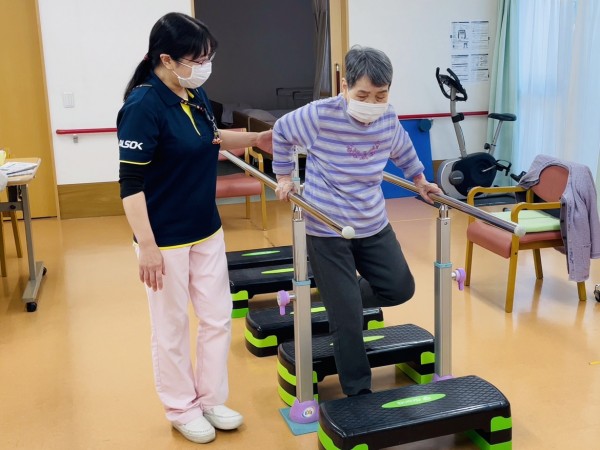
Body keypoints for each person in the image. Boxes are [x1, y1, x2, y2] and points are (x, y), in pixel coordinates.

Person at [117, 12, 272, 444]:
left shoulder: (193, 94)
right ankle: (181, 408)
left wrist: (256, 139)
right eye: (197, 59)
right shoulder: (143, 107)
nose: (205, 66)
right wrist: (147, 246)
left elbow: (212, 138)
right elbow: (130, 184)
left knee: (217, 318)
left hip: (205, 228)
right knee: (171, 327)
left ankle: (210, 399)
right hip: (164, 238)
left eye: (208, 58)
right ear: (167, 59)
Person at [272, 45, 441, 397]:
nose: (372, 103)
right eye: (363, 95)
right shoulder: (320, 115)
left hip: (372, 222)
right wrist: (284, 176)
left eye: (381, 95)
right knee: (348, 321)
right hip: (327, 228)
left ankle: (340, 297)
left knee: (400, 288)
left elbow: (403, 149)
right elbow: (282, 131)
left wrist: (420, 180)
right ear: (345, 86)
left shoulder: (387, 117)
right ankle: (358, 393)